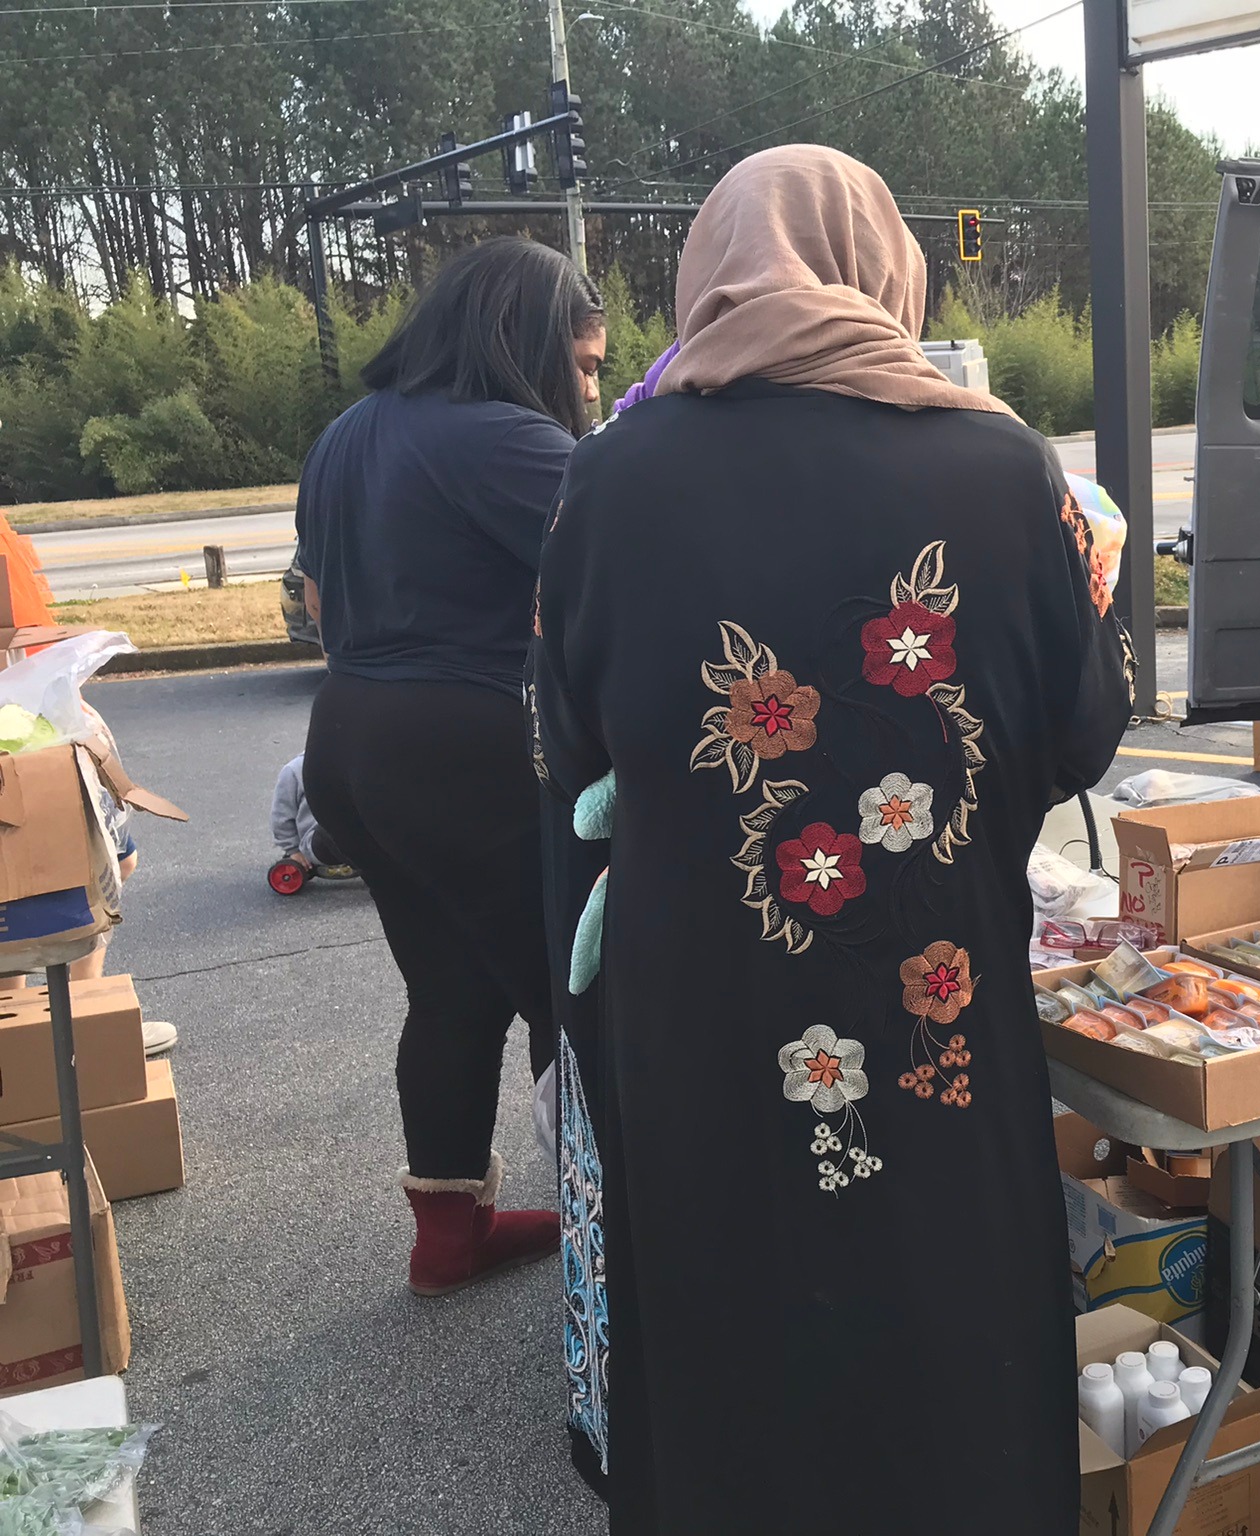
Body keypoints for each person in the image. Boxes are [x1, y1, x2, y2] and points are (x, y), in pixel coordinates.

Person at [530, 144, 1131, 1533]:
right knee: (947, 1329)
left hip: (701, 1028)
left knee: (720, 1326)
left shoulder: (610, 480)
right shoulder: (997, 464)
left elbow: (577, 748)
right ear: (886, 265)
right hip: (943, 1012)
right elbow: (1083, 732)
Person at [296, 236, 606, 1295]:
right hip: (462, 749)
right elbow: (626, 579)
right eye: (585, 363)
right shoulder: (506, 439)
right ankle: (616, 1251)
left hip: (344, 737)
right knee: (572, 1000)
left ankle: (449, 1236)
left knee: (450, 990)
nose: (589, 386)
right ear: (527, 341)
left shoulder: (347, 433)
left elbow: (319, 605)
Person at [270, 752, 352, 875]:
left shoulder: (358, 763)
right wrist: (293, 850)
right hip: (319, 840)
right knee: (333, 826)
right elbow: (282, 816)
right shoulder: (295, 770)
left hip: (359, 834)